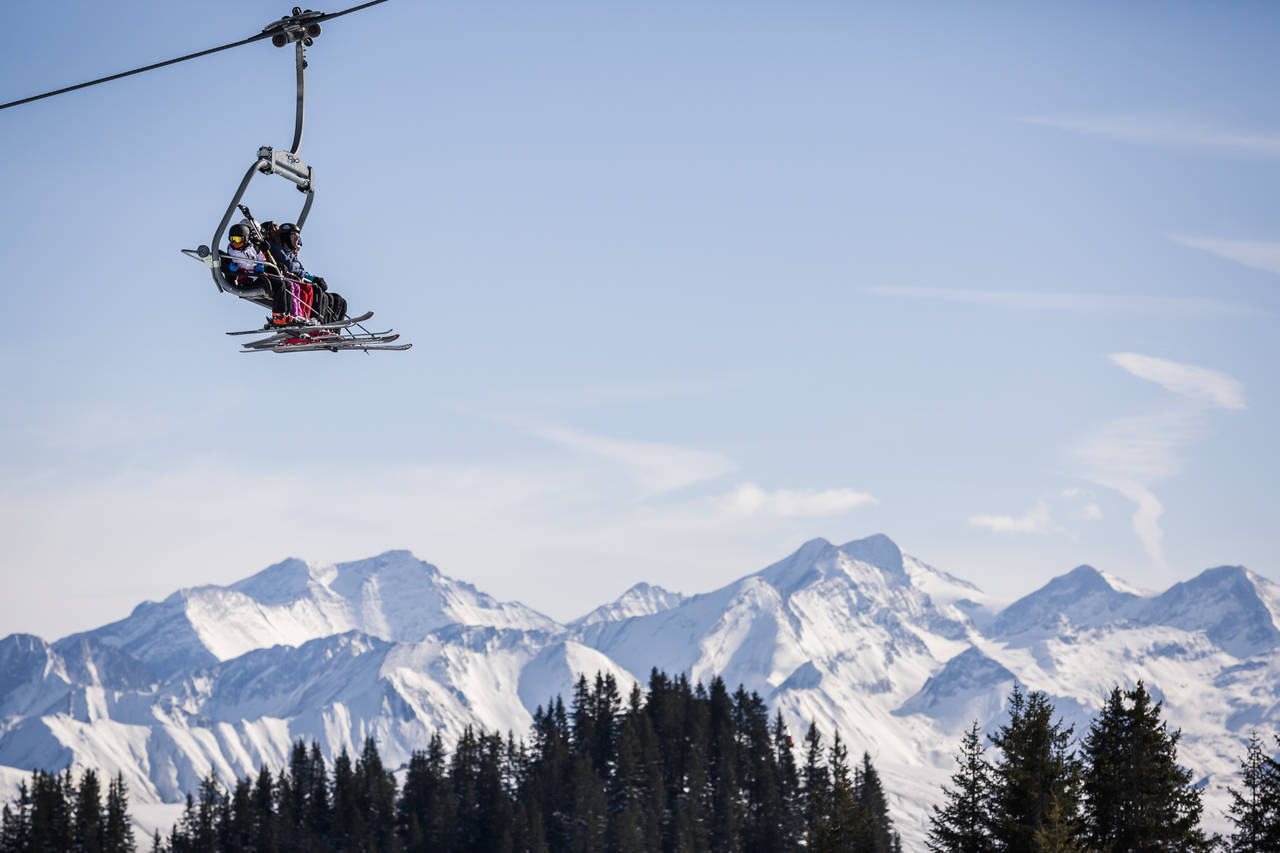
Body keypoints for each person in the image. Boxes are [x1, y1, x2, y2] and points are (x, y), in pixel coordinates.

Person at [268, 223, 348, 324]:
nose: (296, 239)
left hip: (295, 280)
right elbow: (291, 266)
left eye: (298, 237)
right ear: (285, 236)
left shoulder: (289, 253)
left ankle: (329, 328)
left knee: (337, 300)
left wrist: (313, 278)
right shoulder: (276, 248)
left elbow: (298, 268)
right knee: (312, 291)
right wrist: (297, 267)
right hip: (284, 280)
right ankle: (309, 321)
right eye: (293, 235)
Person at [226, 223, 296, 327]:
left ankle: (286, 314)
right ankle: (278, 316)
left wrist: (261, 265)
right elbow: (228, 263)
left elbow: (261, 259)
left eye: (238, 239)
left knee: (287, 285)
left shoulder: (253, 247)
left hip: (258, 276)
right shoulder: (232, 251)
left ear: (245, 239)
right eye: (232, 239)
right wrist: (230, 266)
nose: (235, 243)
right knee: (279, 285)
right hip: (247, 280)